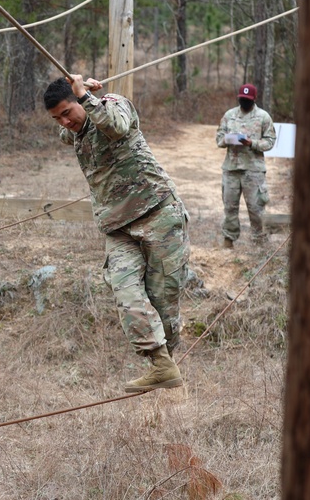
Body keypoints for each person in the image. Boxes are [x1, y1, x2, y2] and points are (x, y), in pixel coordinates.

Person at [44, 75, 189, 393]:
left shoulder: (114, 105)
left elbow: (117, 128)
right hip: (118, 227)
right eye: (57, 118)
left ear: (80, 101)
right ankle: (160, 364)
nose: (65, 122)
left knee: (163, 300)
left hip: (158, 214)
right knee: (125, 291)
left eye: (67, 112)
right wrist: (78, 97)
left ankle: (170, 371)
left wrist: (88, 97)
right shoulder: (75, 129)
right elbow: (67, 132)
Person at [215, 83, 276, 248]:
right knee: (230, 207)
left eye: (247, 99)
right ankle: (228, 240)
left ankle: (259, 243)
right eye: (242, 98)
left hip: (253, 169)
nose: (244, 101)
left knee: (256, 208)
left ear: (254, 99)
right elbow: (219, 138)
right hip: (231, 169)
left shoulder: (263, 117)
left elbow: (270, 141)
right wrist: (227, 139)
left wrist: (252, 143)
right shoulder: (229, 115)